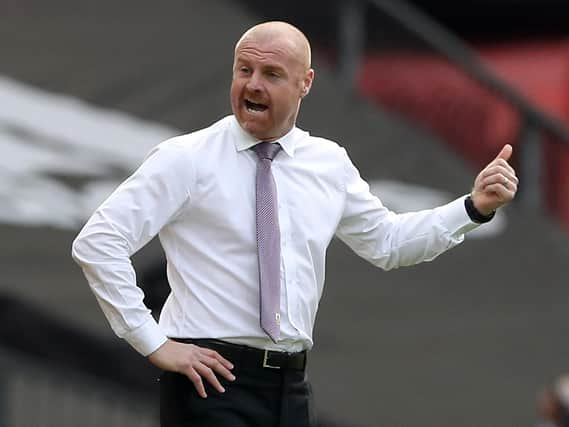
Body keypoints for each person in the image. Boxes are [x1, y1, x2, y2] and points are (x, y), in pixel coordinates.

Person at [72, 21, 518, 427]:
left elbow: (388, 243)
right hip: (210, 382)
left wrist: (473, 207)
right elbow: (98, 242)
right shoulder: (186, 159)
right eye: (243, 69)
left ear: (306, 83)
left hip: (291, 388)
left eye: (271, 74)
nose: (252, 84)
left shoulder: (328, 163)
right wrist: (152, 341)